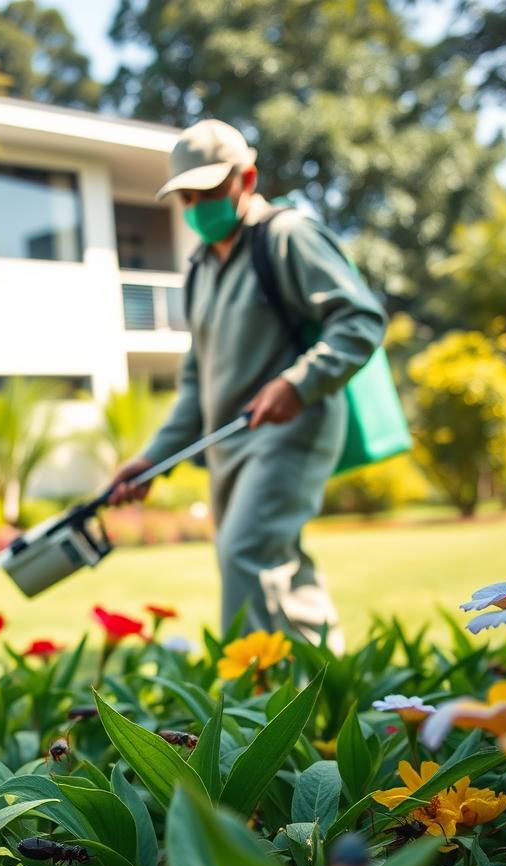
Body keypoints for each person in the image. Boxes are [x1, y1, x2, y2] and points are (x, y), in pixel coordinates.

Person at [109, 119, 387, 654]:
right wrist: (153, 460)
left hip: (292, 428)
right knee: (275, 562)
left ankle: (256, 708)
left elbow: (360, 320)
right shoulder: (199, 271)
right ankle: (327, 688)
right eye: (187, 196)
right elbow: (195, 386)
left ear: (247, 179)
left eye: (209, 191)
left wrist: (297, 382)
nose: (197, 206)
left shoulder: (286, 237)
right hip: (227, 442)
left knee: (245, 552)